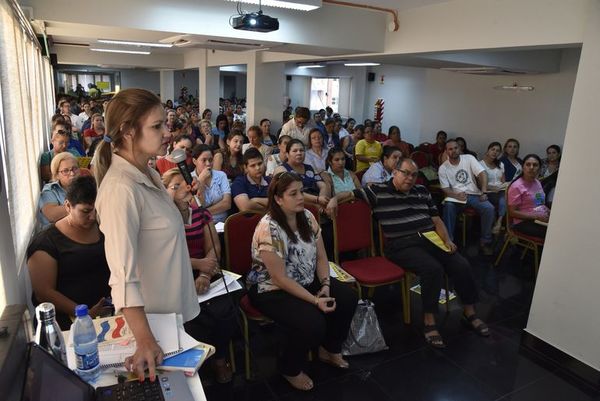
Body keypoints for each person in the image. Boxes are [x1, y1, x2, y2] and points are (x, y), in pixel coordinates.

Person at [94, 88, 200, 381]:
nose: (167, 133)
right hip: (152, 324)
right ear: (128, 131)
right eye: (157, 126)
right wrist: (144, 339)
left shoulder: (148, 172)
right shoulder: (120, 189)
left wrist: (179, 206)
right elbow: (122, 274)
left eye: (164, 124)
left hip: (172, 311)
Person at [247, 172, 358, 391]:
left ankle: (329, 348)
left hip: (306, 277)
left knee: (347, 297)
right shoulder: (269, 228)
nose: (301, 197)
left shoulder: (307, 216)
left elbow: (321, 257)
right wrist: (315, 301)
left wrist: (325, 285)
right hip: (270, 288)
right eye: (293, 193)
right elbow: (279, 278)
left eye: (301, 191)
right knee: (312, 322)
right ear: (279, 199)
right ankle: (289, 368)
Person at [366, 158, 489, 348]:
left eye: (414, 174)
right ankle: (429, 321)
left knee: (461, 264)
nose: (410, 178)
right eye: (405, 173)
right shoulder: (378, 191)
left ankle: (469, 312)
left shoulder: (422, 191)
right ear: (395, 172)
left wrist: (447, 240)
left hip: (430, 238)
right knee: (433, 269)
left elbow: (437, 220)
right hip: (401, 244)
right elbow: (350, 194)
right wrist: (332, 200)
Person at [162, 168, 237, 383]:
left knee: (227, 310)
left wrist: (204, 273)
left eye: (184, 184)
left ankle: (220, 358)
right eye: (175, 186)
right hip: (177, 275)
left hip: (206, 272)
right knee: (195, 319)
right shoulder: (163, 220)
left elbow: (214, 248)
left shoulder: (201, 213)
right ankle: (197, 365)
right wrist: (197, 264)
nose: (184, 188)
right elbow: (167, 256)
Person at [28, 176, 112, 330]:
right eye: (85, 211)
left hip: (107, 317)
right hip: (67, 324)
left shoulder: (104, 228)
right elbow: (44, 292)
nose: (92, 217)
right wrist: (84, 313)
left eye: (96, 210)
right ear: (67, 206)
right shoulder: (46, 243)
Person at [438, 139, 495, 255]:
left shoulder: (468, 158)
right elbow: (445, 189)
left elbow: (482, 173)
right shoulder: (443, 168)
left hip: (473, 194)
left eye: (456, 148)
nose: (454, 151)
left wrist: (484, 192)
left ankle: (485, 241)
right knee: (448, 207)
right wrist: (456, 195)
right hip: (455, 197)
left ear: (459, 149)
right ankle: (449, 242)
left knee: (489, 208)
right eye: (450, 149)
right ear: (446, 152)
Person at [273, 139, 334, 215]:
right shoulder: (282, 169)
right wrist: (317, 200)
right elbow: (293, 193)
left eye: (301, 150)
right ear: (287, 154)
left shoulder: (309, 168)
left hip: (318, 205)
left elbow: (322, 185)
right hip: (296, 208)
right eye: (295, 151)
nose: (299, 153)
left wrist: (321, 201)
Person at [507, 154, 550, 239]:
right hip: (523, 222)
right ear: (523, 167)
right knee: (552, 233)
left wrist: (548, 211)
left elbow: (540, 203)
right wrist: (536, 216)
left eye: (535, 165)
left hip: (538, 217)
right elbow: (512, 212)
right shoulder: (517, 186)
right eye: (528, 164)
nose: (531, 167)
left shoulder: (537, 182)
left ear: (539, 168)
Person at [191, 144, 232, 223]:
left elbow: (227, 203)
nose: (208, 164)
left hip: (222, 222)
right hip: (202, 223)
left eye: (210, 160)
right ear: (194, 161)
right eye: (204, 160)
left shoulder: (221, 175)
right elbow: (197, 206)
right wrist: (201, 181)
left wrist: (203, 212)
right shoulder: (190, 178)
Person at [38, 152, 81, 228]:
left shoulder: (86, 186)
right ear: (56, 175)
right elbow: (52, 215)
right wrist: (83, 207)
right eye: (65, 171)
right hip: (56, 235)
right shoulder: (50, 190)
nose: (72, 173)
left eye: (75, 168)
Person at [232, 148, 271, 213]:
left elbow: (280, 202)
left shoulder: (270, 181)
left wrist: (255, 200)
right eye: (253, 165)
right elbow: (245, 208)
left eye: (260, 163)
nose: (258, 168)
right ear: (245, 168)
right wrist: (270, 208)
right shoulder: (239, 182)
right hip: (248, 222)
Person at [480, 142, 507, 234]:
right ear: (488, 151)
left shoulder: (501, 164)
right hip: (488, 192)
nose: (495, 152)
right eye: (493, 149)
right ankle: (498, 223)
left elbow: (503, 181)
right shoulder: (480, 164)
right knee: (502, 200)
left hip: (500, 190)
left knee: (506, 197)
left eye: (498, 151)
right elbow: (479, 184)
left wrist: (505, 186)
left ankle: (499, 222)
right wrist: (492, 188)